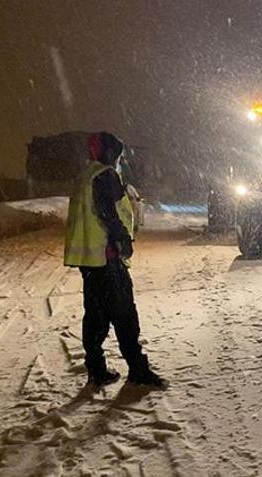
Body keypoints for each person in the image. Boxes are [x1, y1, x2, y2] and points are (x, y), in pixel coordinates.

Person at [64, 132, 166, 388]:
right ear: (111, 153)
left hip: (89, 261)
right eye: (118, 154)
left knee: (95, 316)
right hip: (108, 258)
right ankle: (137, 370)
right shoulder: (106, 176)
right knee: (125, 317)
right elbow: (108, 213)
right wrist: (122, 239)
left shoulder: (85, 176)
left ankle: (96, 369)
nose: (119, 159)